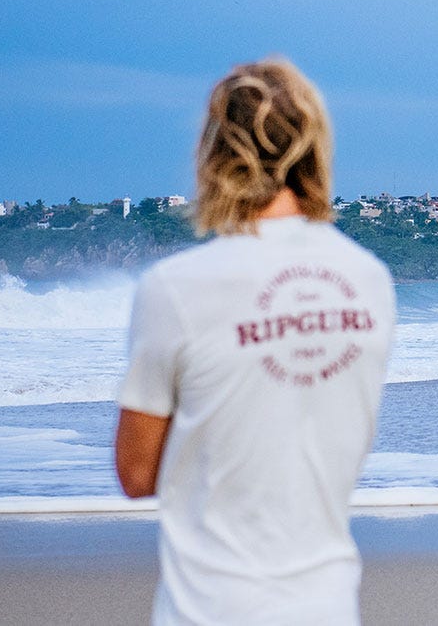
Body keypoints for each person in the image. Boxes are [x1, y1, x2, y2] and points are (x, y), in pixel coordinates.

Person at [114, 58, 395, 625]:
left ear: (217, 154)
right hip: (328, 605)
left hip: (210, 608)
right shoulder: (370, 280)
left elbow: (137, 475)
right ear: (316, 149)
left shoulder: (176, 288)